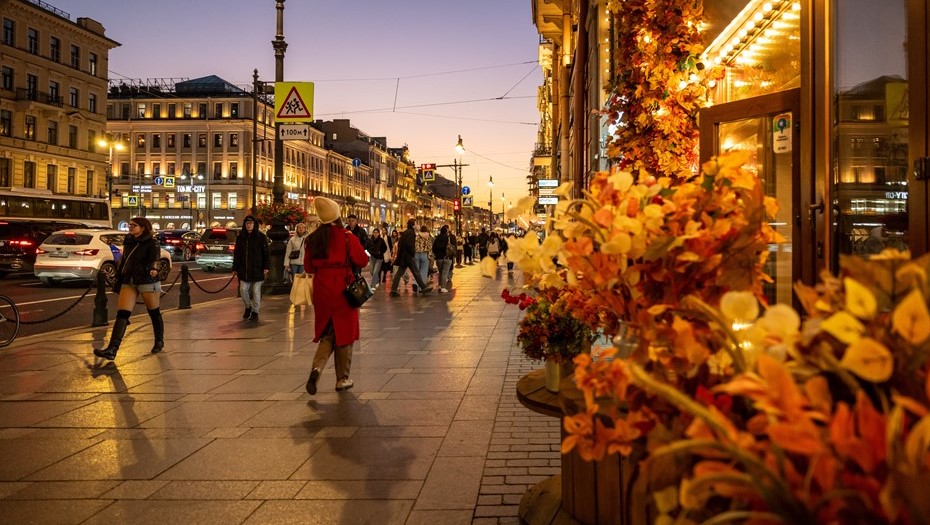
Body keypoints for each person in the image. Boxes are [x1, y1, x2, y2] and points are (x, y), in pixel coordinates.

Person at [304, 197, 369, 394]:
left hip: (322, 288)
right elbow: (362, 260)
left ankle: (316, 369)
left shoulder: (313, 239)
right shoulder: (347, 236)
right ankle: (342, 379)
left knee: (327, 333)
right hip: (343, 287)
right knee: (345, 333)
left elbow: (308, 267)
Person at [94, 217, 164, 360]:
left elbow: (155, 258)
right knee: (122, 314)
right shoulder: (129, 241)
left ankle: (159, 340)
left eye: (134, 225)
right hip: (129, 280)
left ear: (143, 228)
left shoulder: (152, 242)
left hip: (146, 280)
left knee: (154, 312)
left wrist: (154, 269)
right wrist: (119, 275)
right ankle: (112, 349)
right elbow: (125, 260)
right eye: (130, 225)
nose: (130, 227)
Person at [232, 215, 270, 322]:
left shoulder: (261, 237)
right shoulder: (241, 237)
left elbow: (266, 252)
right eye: (247, 223)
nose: (249, 225)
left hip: (257, 269)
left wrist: (266, 266)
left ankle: (255, 312)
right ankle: (248, 307)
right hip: (244, 270)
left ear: (254, 224)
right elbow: (237, 253)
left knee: (256, 291)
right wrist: (235, 267)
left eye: (251, 223)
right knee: (243, 290)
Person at [390, 219, 433, 297]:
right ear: (413, 225)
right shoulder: (411, 233)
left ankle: (393, 290)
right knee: (416, 272)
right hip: (409, 257)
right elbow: (409, 245)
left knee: (400, 273)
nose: (417, 225)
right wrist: (412, 252)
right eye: (416, 223)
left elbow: (400, 244)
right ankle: (424, 287)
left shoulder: (406, 232)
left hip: (404, 256)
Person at [432, 225, 453, 293]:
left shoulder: (437, 238)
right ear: (446, 231)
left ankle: (440, 286)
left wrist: (436, 254)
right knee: (444, 273)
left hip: (439, 258)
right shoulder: (447, 238)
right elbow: (449, 247)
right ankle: (443, 287)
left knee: (440, 272)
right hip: (446, 257)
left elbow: (434, 248)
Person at [414, 225, 432, 292]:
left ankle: (415, 283)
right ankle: (422, 286)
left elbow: (413, 245)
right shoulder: (428, 236)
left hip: (416, 254)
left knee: (416, 270)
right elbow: (429, 247)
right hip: (424, 254)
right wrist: (430, 256)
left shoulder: (416, 236)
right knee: (423, 271)